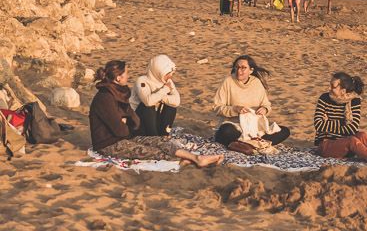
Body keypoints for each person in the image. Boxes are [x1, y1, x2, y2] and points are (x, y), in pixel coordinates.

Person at [89, 60, 221, 166]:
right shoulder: (105, 98)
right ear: (118, 78)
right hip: (108, 143)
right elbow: (119, 130)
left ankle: (196, 158)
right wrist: (126, 121)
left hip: (127, 135)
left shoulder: (120, 92)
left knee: (161, 142)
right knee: (152, 152)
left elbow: (133, 119)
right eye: (126, 73)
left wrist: (126, 120)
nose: (128, 76)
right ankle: (186, 161)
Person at [213, 55, 291, 148]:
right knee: (226, 131)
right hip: (235, 126)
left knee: (285, 131)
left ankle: (249, 143)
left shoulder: (257, 83)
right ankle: (253, 144)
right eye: (237, 67)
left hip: (254, 128)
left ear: (251, 70)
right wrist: (235, 109)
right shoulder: (228, 81)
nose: (239, 71)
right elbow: (217, 107)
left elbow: (267, 105)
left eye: (243, 68)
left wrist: (264, 109)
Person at [313, 71, 367, 163]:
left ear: (343, 90)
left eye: (333, 86)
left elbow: (353, 128)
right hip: (326, 145)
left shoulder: (354, 101)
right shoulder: (324, 98)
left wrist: (328, 123)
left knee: (362, 135)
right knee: (351, 140)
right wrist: (342, 122)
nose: (329, 88)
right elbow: (318, 124)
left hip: (346, 144)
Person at [133, 54, 180, 136]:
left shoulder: (167, 81)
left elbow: (177, 101)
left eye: (171, 72)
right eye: (167, 73)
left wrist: (161, 97)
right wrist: (165, 90)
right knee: (149, 107)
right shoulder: (142, 81)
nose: (170, 75)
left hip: (155, 117)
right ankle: (153, 137)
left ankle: (164, 134)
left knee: (171, 106)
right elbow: (148, 101)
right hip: (138, 121)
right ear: (158, 71)